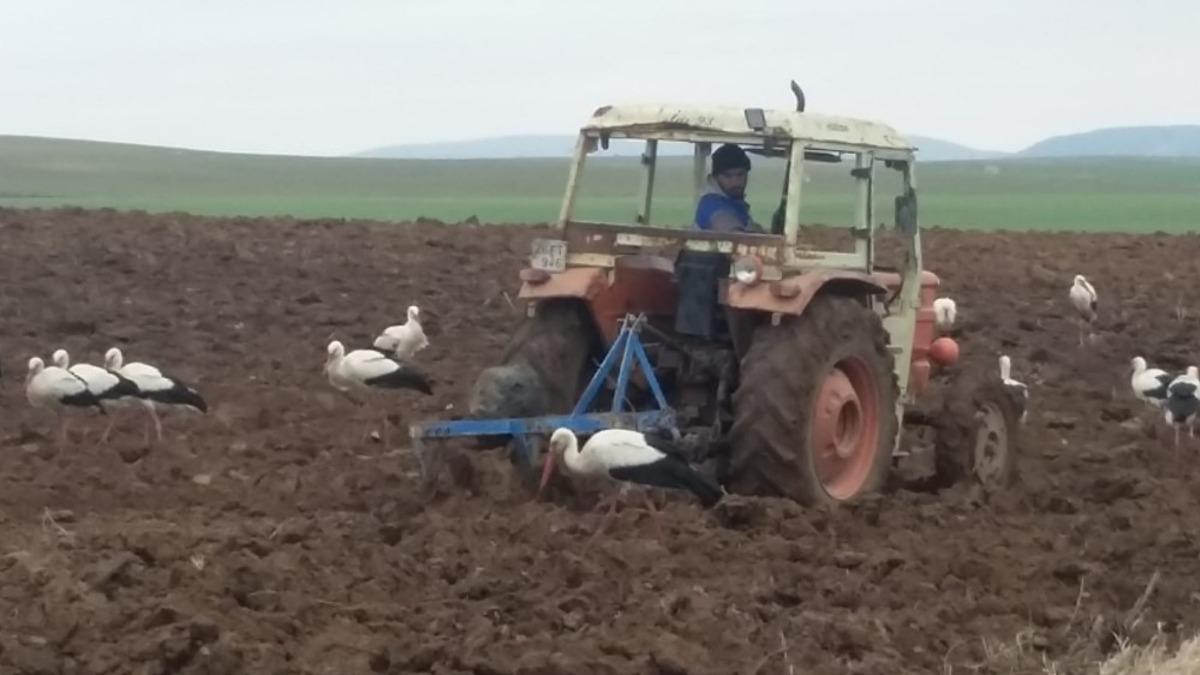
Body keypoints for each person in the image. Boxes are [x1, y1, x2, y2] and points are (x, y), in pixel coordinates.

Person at [693, 143, 764, 233]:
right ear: (715, 177)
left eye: (740, 174)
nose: (735, 182)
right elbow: (733, 233)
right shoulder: (711, 203)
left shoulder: (733, 202)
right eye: (727, 176)